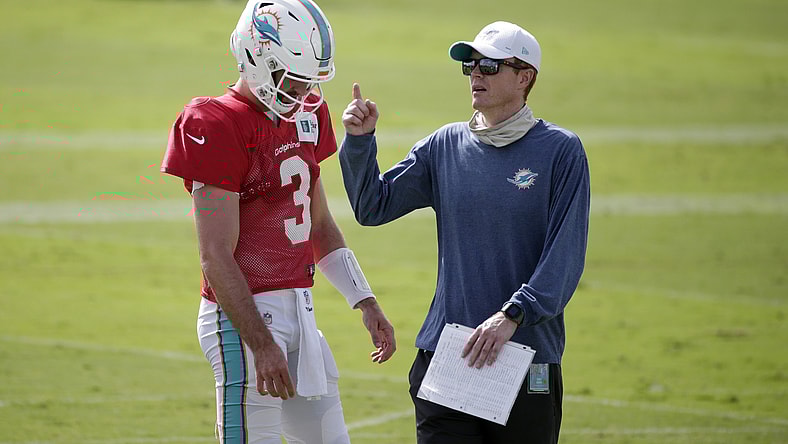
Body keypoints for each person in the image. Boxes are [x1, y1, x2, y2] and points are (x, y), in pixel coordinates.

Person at [339, 21, 589, 444]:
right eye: (470, 66)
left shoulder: (561, 151)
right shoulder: (445, 145)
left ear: (525, 77)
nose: (476, 74)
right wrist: (360, 142)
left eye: (489, 66)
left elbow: (564, 256)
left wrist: (513, 315)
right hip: (448, 355)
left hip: (526, 359)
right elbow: (373, 206)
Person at [160, 1, 396, 442]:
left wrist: (364, 300)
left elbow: (319, 225)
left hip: (301, 315)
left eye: (309, 78)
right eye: (293, 76)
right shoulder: (215, 120)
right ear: (256, 56)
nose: (304, 88)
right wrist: (261, 344)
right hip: (240, 319)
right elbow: (214, 255)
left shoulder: (306, 115)